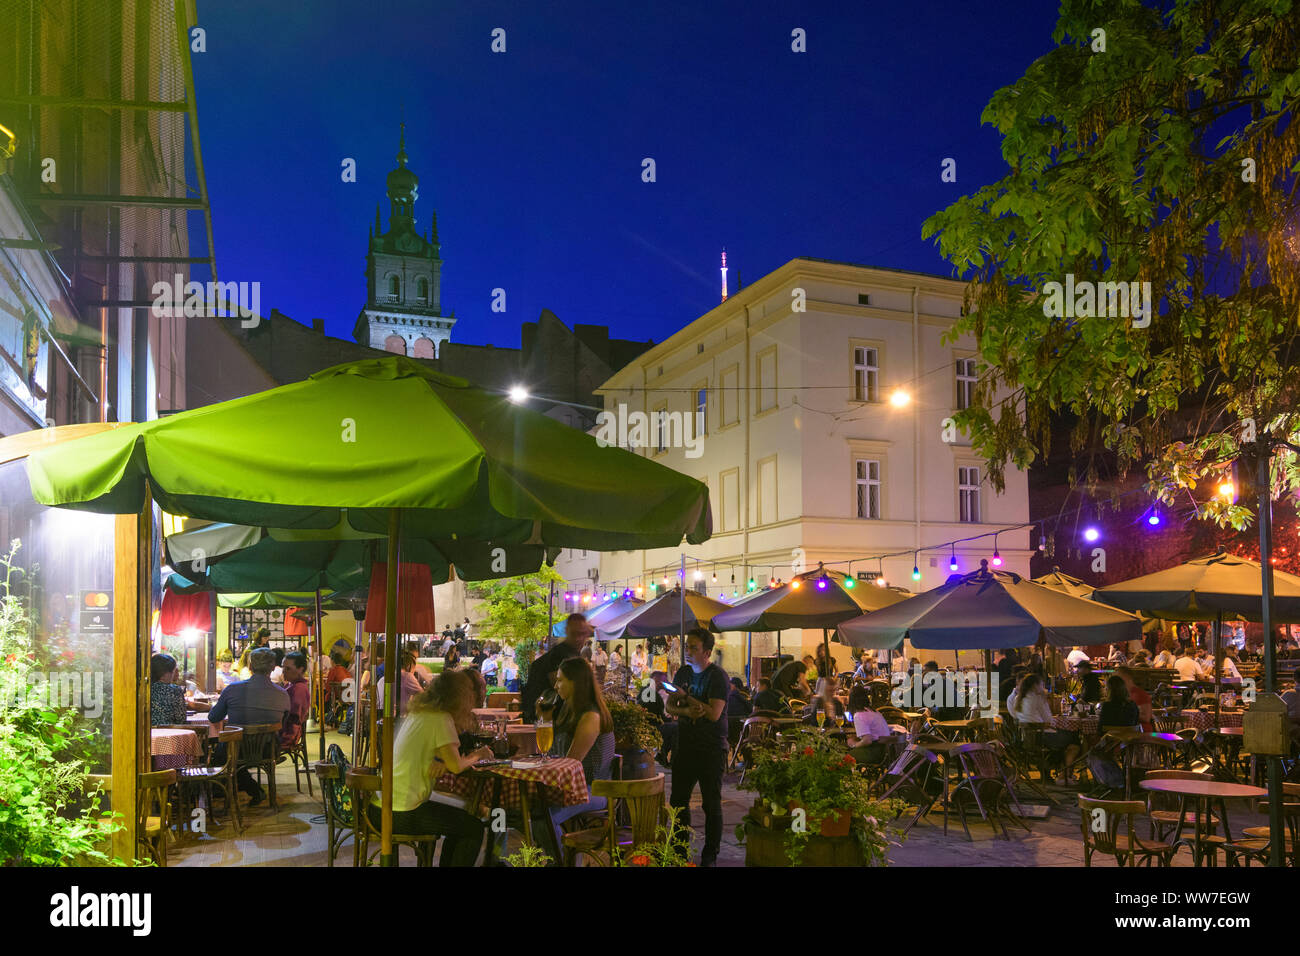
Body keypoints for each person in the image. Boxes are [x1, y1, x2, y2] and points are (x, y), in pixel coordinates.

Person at [376, 668, 491, 866]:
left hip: (382, 806)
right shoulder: (441, 719)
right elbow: (456, 766)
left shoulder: (420, 713)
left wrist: (442, 761)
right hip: (402, 812)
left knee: (462, 822)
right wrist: (480, 754)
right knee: (473, 828)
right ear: (458, 696)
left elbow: (437, 755)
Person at [665, 628, 729, 867]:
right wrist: (686, 710)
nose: (688, 652)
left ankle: (709, 857)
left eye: (694, 648)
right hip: (685, 744)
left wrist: (688, 698)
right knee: (678, 801)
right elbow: (670, 707)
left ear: (707, 652)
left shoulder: (717, 677)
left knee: (711, 803)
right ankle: (680, 852)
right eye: (687, 647)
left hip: (711, 747)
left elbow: (713, 714)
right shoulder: (682, 672)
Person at [208, 647, 289, 806]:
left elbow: (213, 717)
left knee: (218, 754)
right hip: (269, 749)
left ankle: (224, 789)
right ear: (273, 667)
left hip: (235, 750)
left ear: (250, 666)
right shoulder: (283, 694)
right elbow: (283, 723)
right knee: (231, 749)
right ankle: (247, 789)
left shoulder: (232, 689)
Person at [548, 658, 617, 826]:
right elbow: (554, 754)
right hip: (573, 787)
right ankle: (565, 851)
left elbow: (571, 763)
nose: (555, 686)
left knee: (544, 816)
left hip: (593, 790)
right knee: (531, 809)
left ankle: (563, 852)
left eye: (560, 680)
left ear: (575, 683)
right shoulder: (569, 710)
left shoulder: (590, 716)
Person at [1006, 673, 1080, 781]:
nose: (1043, 686)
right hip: (1041, 737)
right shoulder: (1037, 698)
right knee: (1075, 740)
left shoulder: (1017, 698)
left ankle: (1062, 774)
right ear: (1035, 685)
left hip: (1026, 738)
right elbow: (1048, 720)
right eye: (1041, 684)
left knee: (1067, 739)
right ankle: (1064, 776)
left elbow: (1018, 717)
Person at [521, 613, 592, 722]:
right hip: (544, 716)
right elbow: (563, 691)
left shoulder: (570, 653)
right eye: (574, 633)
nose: (578, 638)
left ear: (587, 634)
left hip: (548, 714)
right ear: (567, 631)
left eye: (582, 634)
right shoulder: (561, 656)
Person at [845, 684, 891, 766]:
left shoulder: (859, 715)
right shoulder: (873, 711)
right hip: (885, 750)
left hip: (875, 752)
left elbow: (867, 740)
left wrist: (854, 745)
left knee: (846, 757)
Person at [280, 651, 311, 749]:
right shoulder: (291, 685)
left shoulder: (299, 689)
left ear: (300, 670)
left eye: (288, 668)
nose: (284, 671)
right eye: (283, 667)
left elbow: (294, 719)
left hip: (287, 735)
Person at [150, 653, 188, 726]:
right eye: (173, 671)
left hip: (146, 734)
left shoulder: (145, 689)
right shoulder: (175, 690)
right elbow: (181, 719)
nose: (173, 675)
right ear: (166, 673)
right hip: (169, 734)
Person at [1115, 666, 1153, 732]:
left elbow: (1146, 718)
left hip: (1141, 732)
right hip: (1127, 730)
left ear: (1127, 677)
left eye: (1119, 678)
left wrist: (1126, 714)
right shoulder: (1123, 693)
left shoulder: (1140, 694)